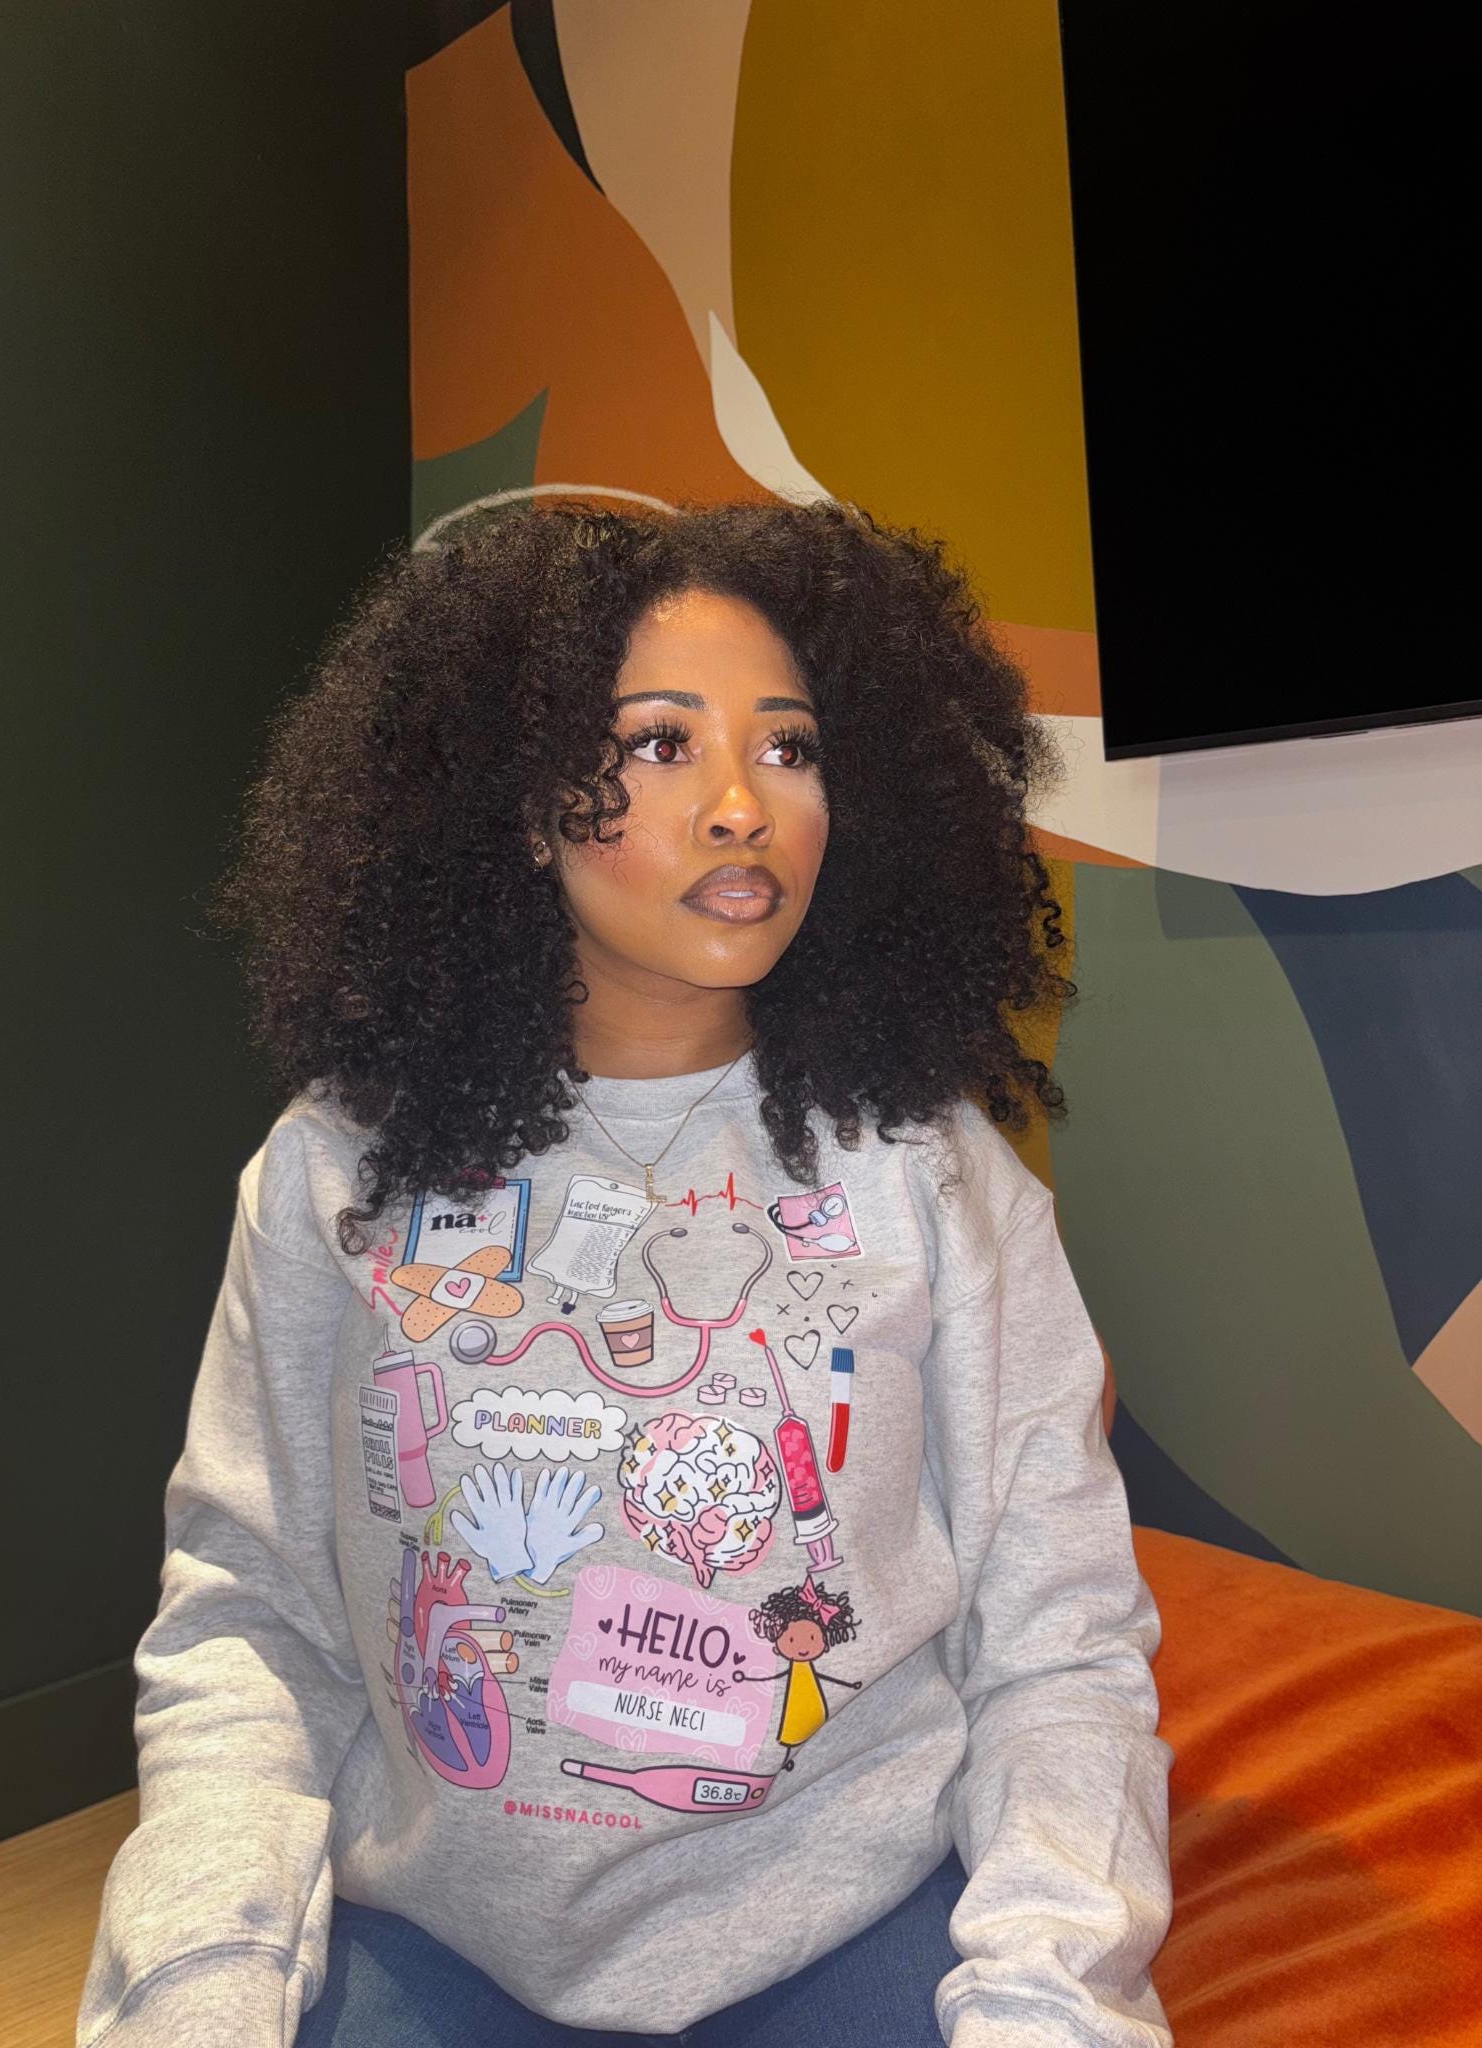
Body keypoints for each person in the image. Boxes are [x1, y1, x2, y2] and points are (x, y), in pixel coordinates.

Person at [78, 498, 1175, 2048]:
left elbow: (1059, 1645)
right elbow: (250, 1624)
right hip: (438, 1947)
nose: (742, 805)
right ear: (525, 806)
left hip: (852, 1935)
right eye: (662, 743)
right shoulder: (336, 1172)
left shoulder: (930, 1179)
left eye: (789, 747)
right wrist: (201, 1979)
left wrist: (1046, 1995)